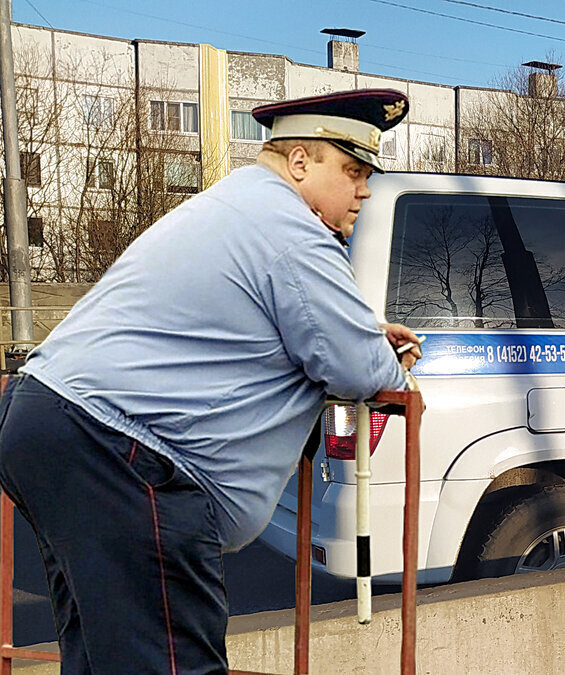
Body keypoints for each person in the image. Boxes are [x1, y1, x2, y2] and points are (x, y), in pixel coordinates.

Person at [0, 89, 423, 673]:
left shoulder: (238, 205)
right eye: (352, 170)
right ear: (300, 162)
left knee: (104, 658)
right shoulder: (292, 228)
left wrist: (360, 331)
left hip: (57, 424)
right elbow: (355, 366)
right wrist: (388, 355)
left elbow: (290, 323)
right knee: (171, 663)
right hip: (123, 454)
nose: (364, 189)